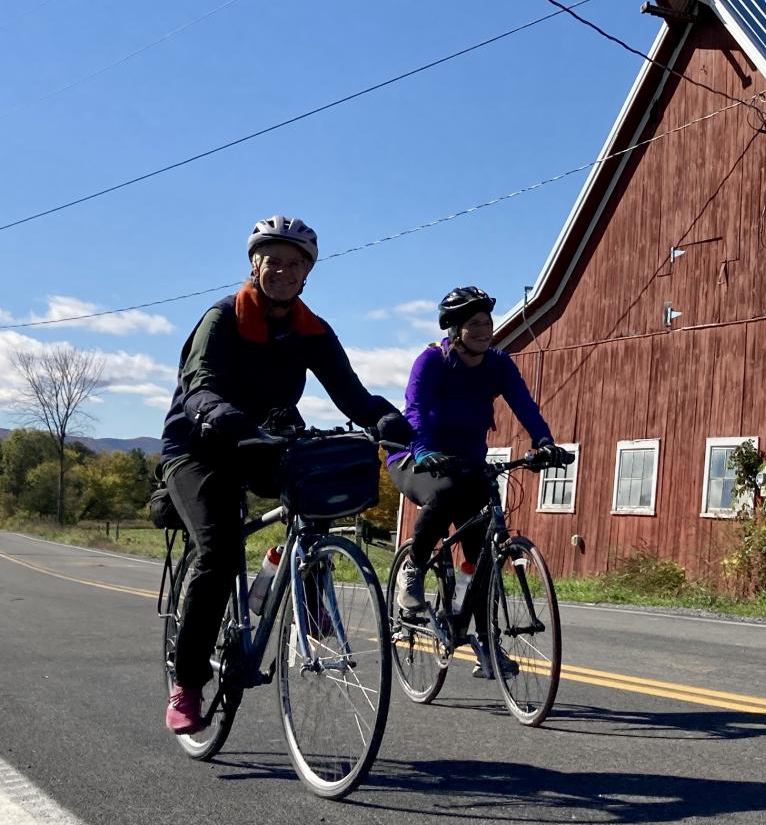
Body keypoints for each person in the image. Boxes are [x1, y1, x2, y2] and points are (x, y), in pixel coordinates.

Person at [158, 216, 412, 734]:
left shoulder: (311, 330)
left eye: (295, 263)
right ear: (256, 264)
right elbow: (198, 384)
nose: (283, 270)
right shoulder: (223, 318)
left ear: (307, 273)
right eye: (273, 259)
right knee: (220, 549)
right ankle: (187, 684)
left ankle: (300, 580)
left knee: (319, 490)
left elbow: (352, 393)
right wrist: (219, 414)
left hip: (263, 439)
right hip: (199, 446)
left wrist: (386, 419)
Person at [389, 285, 568, 678]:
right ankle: (415, 569)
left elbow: (525, 405)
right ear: (454, 330)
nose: (484, 330)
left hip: (467, 464)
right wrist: (421, 449)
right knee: (446, 493)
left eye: (487, 323)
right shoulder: (432, 362)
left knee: (483, 551)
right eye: (473, 324)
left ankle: (486, 643)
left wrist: (544, 441)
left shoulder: (498, 365)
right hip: (415, 458)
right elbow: (414, 409)